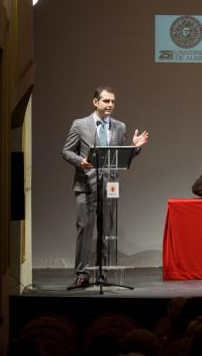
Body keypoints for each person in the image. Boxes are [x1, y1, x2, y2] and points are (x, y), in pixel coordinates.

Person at [62, 86, 149, 288]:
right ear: (96, 102)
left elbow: (120, 157)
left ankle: (103, 273)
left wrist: (134, 148)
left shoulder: (119, 126)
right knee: (85, 229)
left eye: (113, 102)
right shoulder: (80, 124)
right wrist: (79, 161)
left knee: (106, 231)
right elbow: (66, 151)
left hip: (109, 185)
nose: (110, 105)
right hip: (86, 184)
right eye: (106, 101)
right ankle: (82, 274)